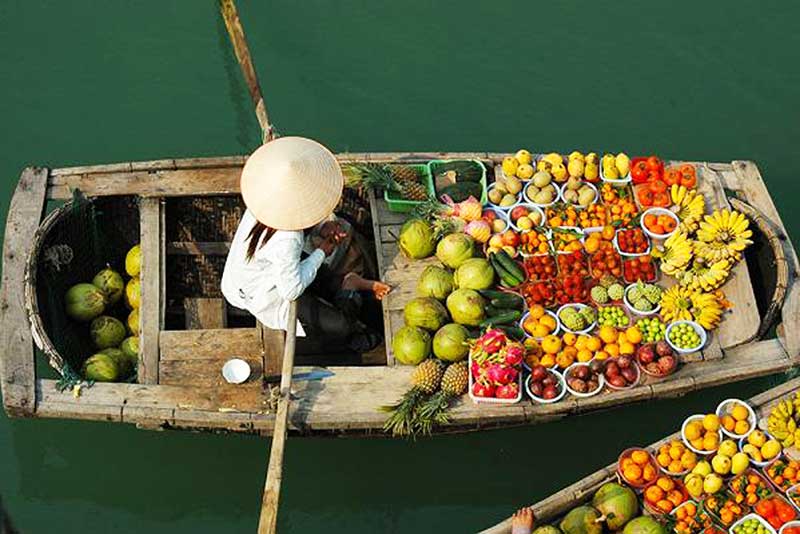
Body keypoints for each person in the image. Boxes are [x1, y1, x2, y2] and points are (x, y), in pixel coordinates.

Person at [221, 136, 390, 356]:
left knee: (318, 276)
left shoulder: (264, 200)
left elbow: (296, 224)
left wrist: (323, 227)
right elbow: (290, 290)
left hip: (258, 273)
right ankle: (350, 287)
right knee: (341, 327)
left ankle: (348, 283)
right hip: (263, 293)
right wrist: (322, 252)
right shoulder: (288, 238)